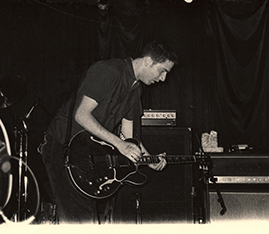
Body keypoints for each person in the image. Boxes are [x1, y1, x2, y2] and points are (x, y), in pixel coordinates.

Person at [41, 40, 177, 223]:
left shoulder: (135, 91)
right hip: (61, 146)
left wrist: (149, 158)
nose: (163, 79)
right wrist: (119, 144)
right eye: (163, 71)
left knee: (85, 216)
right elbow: (81, 115)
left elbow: (130, 138)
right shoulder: (109, 71)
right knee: (80, 217)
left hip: (85, 152)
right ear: (148, 61)